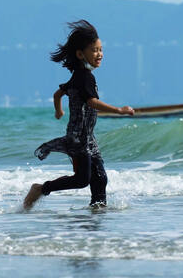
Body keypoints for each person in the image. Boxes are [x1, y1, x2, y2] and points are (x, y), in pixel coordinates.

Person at [23, 20, 134, 210]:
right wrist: (119, 110)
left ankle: (97, 211)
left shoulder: (78, 76)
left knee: (100, 178)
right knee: (83, 179)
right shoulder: (85, 77)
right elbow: (92, 102)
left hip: (88, 138)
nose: (99, 54)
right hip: (79, 138)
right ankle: (41, 189)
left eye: (100, 49)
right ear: (81, 54)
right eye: (94, 50)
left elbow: (58, 94)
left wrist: (59, 110)